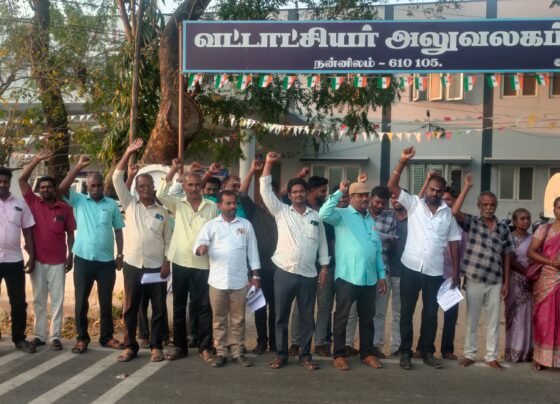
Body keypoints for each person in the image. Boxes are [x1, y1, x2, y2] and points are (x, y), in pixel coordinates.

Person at [387, 147, 461, 371]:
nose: (435, 193)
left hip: (434, 271)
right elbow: (392, 186)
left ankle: (427, 352)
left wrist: (456, 272)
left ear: (443, 192)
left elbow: (454, 243)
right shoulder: (414, 204)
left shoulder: (448, 215)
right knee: (406, 313)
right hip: (410, 268)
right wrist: (402, 161)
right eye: (432, 189)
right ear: (426, 188)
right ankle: (405, 353)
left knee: (430, 314)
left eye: (439, 191)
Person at [260, 152, 330, 370]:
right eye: (295, 192)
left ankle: (305, 355)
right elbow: (265, 190)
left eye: (302, 191)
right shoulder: (281, 211)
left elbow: (323, 243)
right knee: (280, 316)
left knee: (307, 317)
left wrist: (324, 268)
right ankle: (281, 354)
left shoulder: (315, 217)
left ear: (306, 193)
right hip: (284, 272)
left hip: (309, 274)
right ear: (289, 196)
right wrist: (269, 164)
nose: (299, 194)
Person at [112, 139, 172, 362]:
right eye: (141, 186)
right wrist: (128, 152)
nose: (146, 188)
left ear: (154, 187)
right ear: (136, 190)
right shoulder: (130, 205)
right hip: (133, 265)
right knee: (130, 308)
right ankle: (130, 346)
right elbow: (116, 178)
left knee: (158, 309)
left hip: (156, 267)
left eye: (149, 185)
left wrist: (167, 261)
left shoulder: (162, 212)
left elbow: (169, 240)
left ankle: (156, 346)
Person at [59, 155, 125, 354]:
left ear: (103, 186)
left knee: (106, 302)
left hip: (106, 262)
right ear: (87, 186)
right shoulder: (79, 201)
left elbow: (118, 230)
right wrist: (78, 166)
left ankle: (107, 337)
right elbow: (62, 188)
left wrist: (120, 255)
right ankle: (82, 338)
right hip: (83, 259)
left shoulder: (111, 204)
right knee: (81, 302)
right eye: (92, 185)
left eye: (99, 185)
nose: (96, 188)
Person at [319, 180, 387, 370]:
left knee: (367, 319)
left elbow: (377, 250)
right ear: (351, 197)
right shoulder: (342, 215)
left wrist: (381, 275)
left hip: (369, 278)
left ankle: (366, 353)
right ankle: (339, 355)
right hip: (347, 277)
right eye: (360, 195)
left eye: (366, 195)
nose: (365, 199)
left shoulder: (371, 220)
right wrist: (339, 192)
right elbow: (323, 213)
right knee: (342, 317)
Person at [156, 158, 218, 362]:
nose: (193, 188)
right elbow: (161, 194)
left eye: (197, 185)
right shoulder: (178, 204)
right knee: (179, 306)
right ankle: (180, 346)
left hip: (204, 264)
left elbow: (215, 234)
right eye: (189, 184)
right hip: (181, 262)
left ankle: (205, 346)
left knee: (204, 307)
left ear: (202, 186)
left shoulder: (211, 207)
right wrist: (174, 169)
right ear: (184, 186)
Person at [194, 190, 261, 368]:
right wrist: (201, 249)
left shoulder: (245, 225)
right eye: (228, 203)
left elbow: (253, 252)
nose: (233, 206)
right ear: (219, 205)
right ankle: (221, 352)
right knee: (219, 319)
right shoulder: (211, 226)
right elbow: (198, 245)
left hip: (239, 281)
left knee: (238, 319)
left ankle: (238, 352)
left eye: (234, 203)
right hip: (217, 282)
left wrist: (256, 276)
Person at [452, 174, 513, 370]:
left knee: (493, 320)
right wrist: (467, 187)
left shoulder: (503, 228)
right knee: (472, 318)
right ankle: (470, 354)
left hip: (495, 279)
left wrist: (506, 282)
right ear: (479, 206)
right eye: (485, 204)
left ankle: (491, 356)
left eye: (492, 204)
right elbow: (455, 211)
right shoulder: (472, 222)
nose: (489, 208)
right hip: (474, 277)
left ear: (496, 206)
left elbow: (507, 255)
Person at [18, 150, 76, 351]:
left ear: (54, 189)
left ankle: (55, 336)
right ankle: (40, 335)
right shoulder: (33, 203)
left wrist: (70, 255)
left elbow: (71, 234)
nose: (45, 190)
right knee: (39, 299)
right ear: (39, 190)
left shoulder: (65, 209)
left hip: (58, 261)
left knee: (58, 299)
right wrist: (36, 160)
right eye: (42, 187)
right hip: (38, 260)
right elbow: (22, 179)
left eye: (49, 187)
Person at [239, 160, 278, 354]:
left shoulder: (283, 213)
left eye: (273, 194)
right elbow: (242, 193)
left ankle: (275, 343)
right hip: (258, 269)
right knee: (259, 306)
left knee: (276, 309)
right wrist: (253, 171)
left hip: (279, 269)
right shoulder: (254, 210)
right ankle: (262, 342)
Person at [0, 167, 36, 353]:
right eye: (0, 182)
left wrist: (32, 255)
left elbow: (28, 230)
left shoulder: (20, 204)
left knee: (19, 302)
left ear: (10, 183)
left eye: (5, 182)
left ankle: (19, 338)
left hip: (14, 260)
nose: (2, 185)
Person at [527, 197, 560, 370]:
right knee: (544, 319)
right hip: (547, 279)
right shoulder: (544, 229)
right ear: (553, 210)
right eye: (559, 207)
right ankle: (541, 358)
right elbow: (531, 252)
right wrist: (551, 262)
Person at [505, 208, 533, 363]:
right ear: (514, 221)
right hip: (515, 280)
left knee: (528, 316)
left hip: (530, 281)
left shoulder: (533, 238)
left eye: (528, 218)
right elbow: (509, 260)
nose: (526, 221)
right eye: (522, 218)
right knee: (515, 316)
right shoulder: (509, 237)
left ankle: (526, 352)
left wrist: (532, 275)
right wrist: (526, 273)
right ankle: (513, 352)